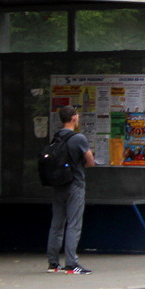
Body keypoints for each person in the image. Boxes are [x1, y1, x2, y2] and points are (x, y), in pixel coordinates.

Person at [46, 105, 96, 274]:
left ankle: (53, 263)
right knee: (74, 224)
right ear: (74, 118)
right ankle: (71, 263)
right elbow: (90, 161)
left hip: (58, 183)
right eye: (77, 115)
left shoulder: (56, 136)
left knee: (57, 223)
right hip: (75, 183)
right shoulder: (78, 138)